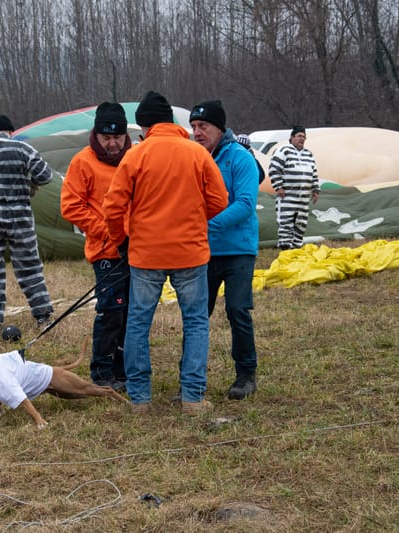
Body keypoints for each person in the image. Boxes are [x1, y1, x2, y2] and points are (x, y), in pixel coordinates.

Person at [103, 91, 228, 415]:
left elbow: (113, 207)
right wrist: (192, 220)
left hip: (146, 254)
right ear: (172, 122)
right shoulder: (196, 153)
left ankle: (140, 400)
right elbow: (219, 200)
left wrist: (122, 241)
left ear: (144, 126)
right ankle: (192, 397)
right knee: (196, 323)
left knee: (138, 324)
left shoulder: (136, 155)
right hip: (191, 253)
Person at [190, 101, 260, 400]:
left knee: (237, 309)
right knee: (196, 313)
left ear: (220, 128)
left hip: (238, 249)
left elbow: (244, 204)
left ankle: (246, 374)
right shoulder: (192, 157)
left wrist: (207, 227)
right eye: (193, 127)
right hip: (202, 251)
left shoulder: (240, 158)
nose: (197, 132)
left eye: (203, 127)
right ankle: (191, 378)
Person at [60, 102, 132, 391]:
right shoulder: (83, 162)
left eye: (117, 137)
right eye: (106, 138)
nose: (113, 143)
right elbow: (71, 206)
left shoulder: (136, 157)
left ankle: (125, 369)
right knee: (111, 312)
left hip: (138, 249)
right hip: (106, 252)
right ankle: (102, 372)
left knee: (132, 313)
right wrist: (107, 230)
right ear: (96, 135)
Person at [0, 114, 54, 331]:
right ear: (11, 132)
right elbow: (46, 176)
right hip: (19, 215)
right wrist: (29, 182)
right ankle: (42, 315)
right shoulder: (23, 149)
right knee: (29, 267)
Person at [268, 126, 320, 250]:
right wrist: (278, 186)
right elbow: (274, 168)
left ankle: (296, 251)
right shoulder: (283, 150)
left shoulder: (308, 154)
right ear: (292, 138)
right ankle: (286, 251)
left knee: (301, 225)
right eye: (299, 136)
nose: (302, 139)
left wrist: (316, 190)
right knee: (286, 223)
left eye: (303, 137)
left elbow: (314, 172)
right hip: (287, 196)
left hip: (303, 198)